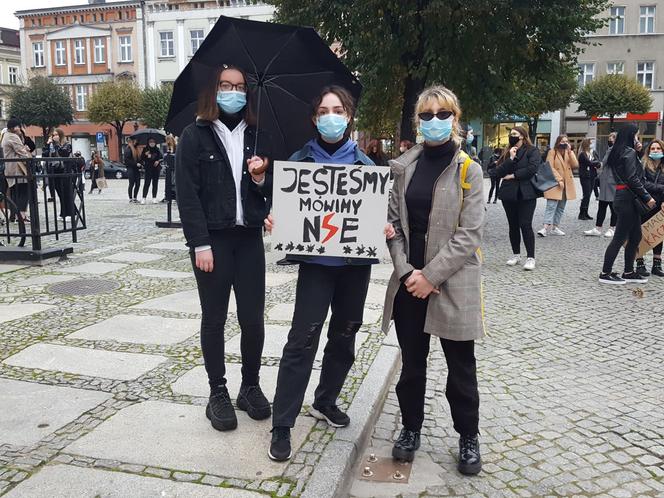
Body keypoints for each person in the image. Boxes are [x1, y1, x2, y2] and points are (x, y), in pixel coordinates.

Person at [265, 85, 395, 463]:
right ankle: (283, 423)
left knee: (345, 335)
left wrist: (383, 227)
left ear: (349, 116)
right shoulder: (299, 162)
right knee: (301, 340)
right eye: (323, 110)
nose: (330, 116)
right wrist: (275, 220)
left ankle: (325, 400)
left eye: (337, 109)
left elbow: (377, 216)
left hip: (353, 269)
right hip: (316, 269)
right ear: (314, 118)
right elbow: (281, 207)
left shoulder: (366, 168)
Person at [381, 85, 485, 475]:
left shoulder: (468, 170)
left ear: (455, 119)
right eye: (427, 115)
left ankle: (468, 436)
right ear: (418, 121)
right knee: (412, 367)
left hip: (452, 283)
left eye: (443, 114)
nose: (435, 122)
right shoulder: (404, 167)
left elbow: (469, 234)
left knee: (461, 368)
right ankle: (410, 428)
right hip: (410, 282)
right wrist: (408, 272)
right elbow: (393, 225)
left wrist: (431, 276)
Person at [176, 64, 273, 433]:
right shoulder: (195, 135)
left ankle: (250, 386)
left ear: (247, 93)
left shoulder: (258, 136)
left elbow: (268, 194)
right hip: (213, 240)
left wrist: (261, 178)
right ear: (213, 91)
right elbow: (187, 195)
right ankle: (217, 391)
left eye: (239, 86)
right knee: (214, 318)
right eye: (225, 85)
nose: (233, 91)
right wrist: (199, 242)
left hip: (248, 238)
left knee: (252, 318)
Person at [599, 124, 655, 285]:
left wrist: (637, 152)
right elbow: (632, 178)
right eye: (636, 135)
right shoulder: (628, 153)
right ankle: (605, 272)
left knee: (636, 235)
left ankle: (629, 271)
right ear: (630, 135)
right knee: (619, 237)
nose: (637, 138)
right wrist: (647, 197)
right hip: (628, 199)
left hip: (625, 197)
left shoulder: (619, 151)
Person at [495, 126, 540, 270]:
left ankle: (531, 257)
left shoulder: (532, 151)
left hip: (526, 193)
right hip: (509, 193)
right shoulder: (508, 152)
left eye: (514, 134)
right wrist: (511, 158)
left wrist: (514, 175)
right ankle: (516, 254)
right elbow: (498, 171)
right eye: (510, 134)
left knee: (525, 224)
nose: (511, 136)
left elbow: (532, 169)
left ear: (522, 136)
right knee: (513, 225)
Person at [537, 135, 578, 237]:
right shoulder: (552, 152)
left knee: (561, 207)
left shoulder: (568, 153)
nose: (564, 143)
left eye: (566, 141)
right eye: (562, 141)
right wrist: (559, 179)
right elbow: (549, 166)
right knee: (551, 206)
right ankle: (545, 228)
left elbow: (575, 165)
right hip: (554, 183)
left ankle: (555, 227)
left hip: (566, 184)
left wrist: (570, 152)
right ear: (558, 142)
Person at [636, 139, 664, 277]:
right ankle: (640, 262)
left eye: (658, 148)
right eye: (653, 149)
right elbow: (643, 184)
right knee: (641, 233)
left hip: (660, 205)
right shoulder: (643, 164)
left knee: (658, 234)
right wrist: (660, 188)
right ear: (649, 151)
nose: (655, 151)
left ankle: (657, 264)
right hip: (645, 203)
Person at [585, 132, 617, 237]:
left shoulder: (614, 149)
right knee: (603, 205)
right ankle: (599, 228)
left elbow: (604, 161)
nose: (609, 140)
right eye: (609, 138)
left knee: (612, 206)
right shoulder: (613, 149)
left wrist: (598, 164)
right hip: (606, 181)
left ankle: (611, 228)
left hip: (611, 182)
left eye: (611, 138)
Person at [1, 118, 33, 223]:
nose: (19, 128)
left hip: (10, 168)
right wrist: (27, 153)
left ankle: (14, 215)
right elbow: (21, 151)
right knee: (24, 191)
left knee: (15, 192)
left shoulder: (5, 136)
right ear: (14, 127)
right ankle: (22, 215)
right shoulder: (13, 137)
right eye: (18, 126)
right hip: (17, 168)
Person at [42, 127, 75, 219]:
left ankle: (69, 213)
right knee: (60, 193)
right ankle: (63, 213)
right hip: (54, 170)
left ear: (60, 135)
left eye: (56, 135)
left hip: (64, 170)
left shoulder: (67, 144)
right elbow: (44, 155)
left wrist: (57, 144)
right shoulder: (51, 145)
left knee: (66, 192)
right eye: (53, 135)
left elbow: (64, 153)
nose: (54, 137)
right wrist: (47, 145)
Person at [577, 138, 601, 220]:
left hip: (592, 176)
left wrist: (596, 163)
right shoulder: (582, 154)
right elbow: (590, 163)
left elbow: (597, 162)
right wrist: (596, 163)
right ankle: (581, 213)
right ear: (586, 144)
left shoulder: (591, 153)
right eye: (590, 143)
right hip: (585, 176)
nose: (592, 145)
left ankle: (586, 212)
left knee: (589, 195)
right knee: (586, 194)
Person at [140, 138, 163, 204]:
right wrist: (145, 154)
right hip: (148, 168)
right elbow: (141, 158)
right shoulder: (145, 149)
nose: (152, 143)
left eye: (153, 142)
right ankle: (144, 198)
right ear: (148, 143)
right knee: (147, 183)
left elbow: (161, 158)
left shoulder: (157, 150)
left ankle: (154, 197)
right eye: (150, 142)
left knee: (155, 183)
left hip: (156, 169)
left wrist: (158, 161)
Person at [124, 138, 141, 203]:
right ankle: (130, 198)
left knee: (138, 183)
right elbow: (127, 160)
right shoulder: (128, 149)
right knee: (131, 183)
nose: (137, 142)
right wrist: (136, 164)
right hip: (130, 168)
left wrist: (141, 163)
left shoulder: (136, 149)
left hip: (136, 168)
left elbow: (139, 159)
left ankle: (135, 197)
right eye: (136, 140)